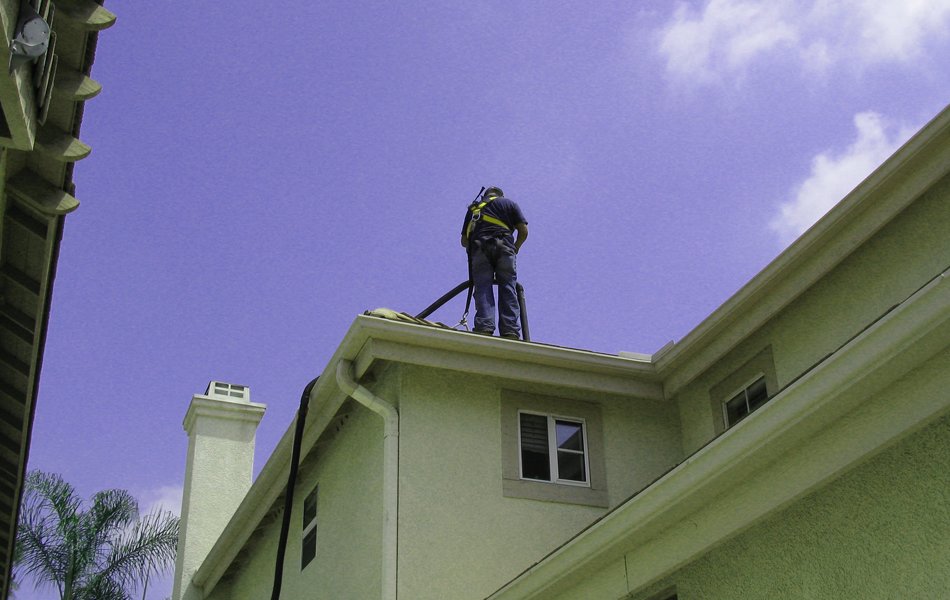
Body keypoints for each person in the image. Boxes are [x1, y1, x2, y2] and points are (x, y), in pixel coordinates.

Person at [460, 186, 528, 339]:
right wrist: (515, 248)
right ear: (500, 195)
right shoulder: (509, 204)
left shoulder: (474, 208)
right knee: (508, 287)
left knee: (483, 286)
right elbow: (523, 231)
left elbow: (464, 241)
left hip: (480, 248)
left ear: (486, 195)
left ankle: (484, 327)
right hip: (505, 248)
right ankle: (510, 330)